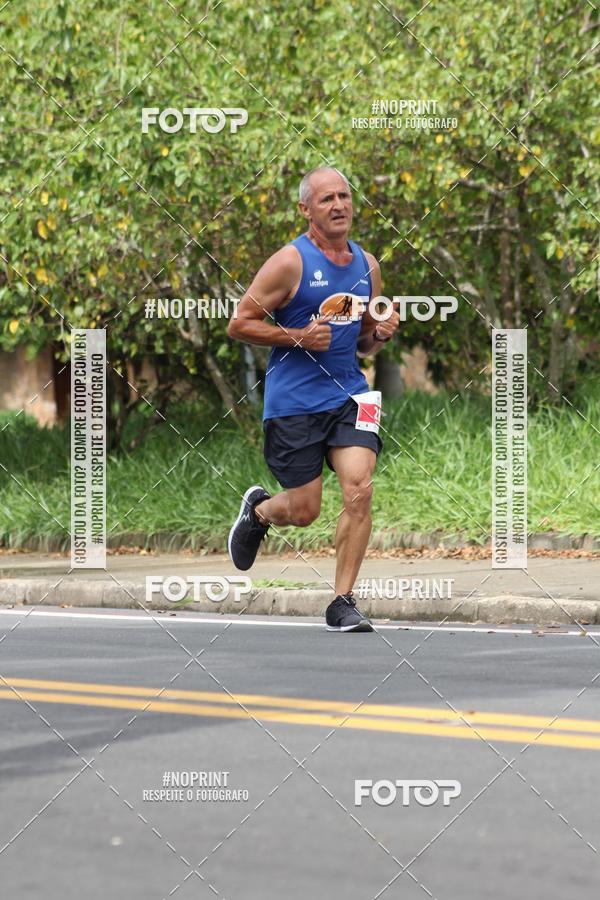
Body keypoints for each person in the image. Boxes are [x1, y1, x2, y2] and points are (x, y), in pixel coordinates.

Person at [226, 166, 399, 632]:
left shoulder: (368, 265)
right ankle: (260, 511)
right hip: (294, 401)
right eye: (326, 199)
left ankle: (342, 601)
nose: (339, 205)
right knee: (305, 511)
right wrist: (297, 336)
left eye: (344, 196)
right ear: (306, 209)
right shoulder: (290, 262)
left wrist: (379, 334)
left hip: (350, 393)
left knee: (359, 489)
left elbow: (362, 342)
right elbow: (240, 323)